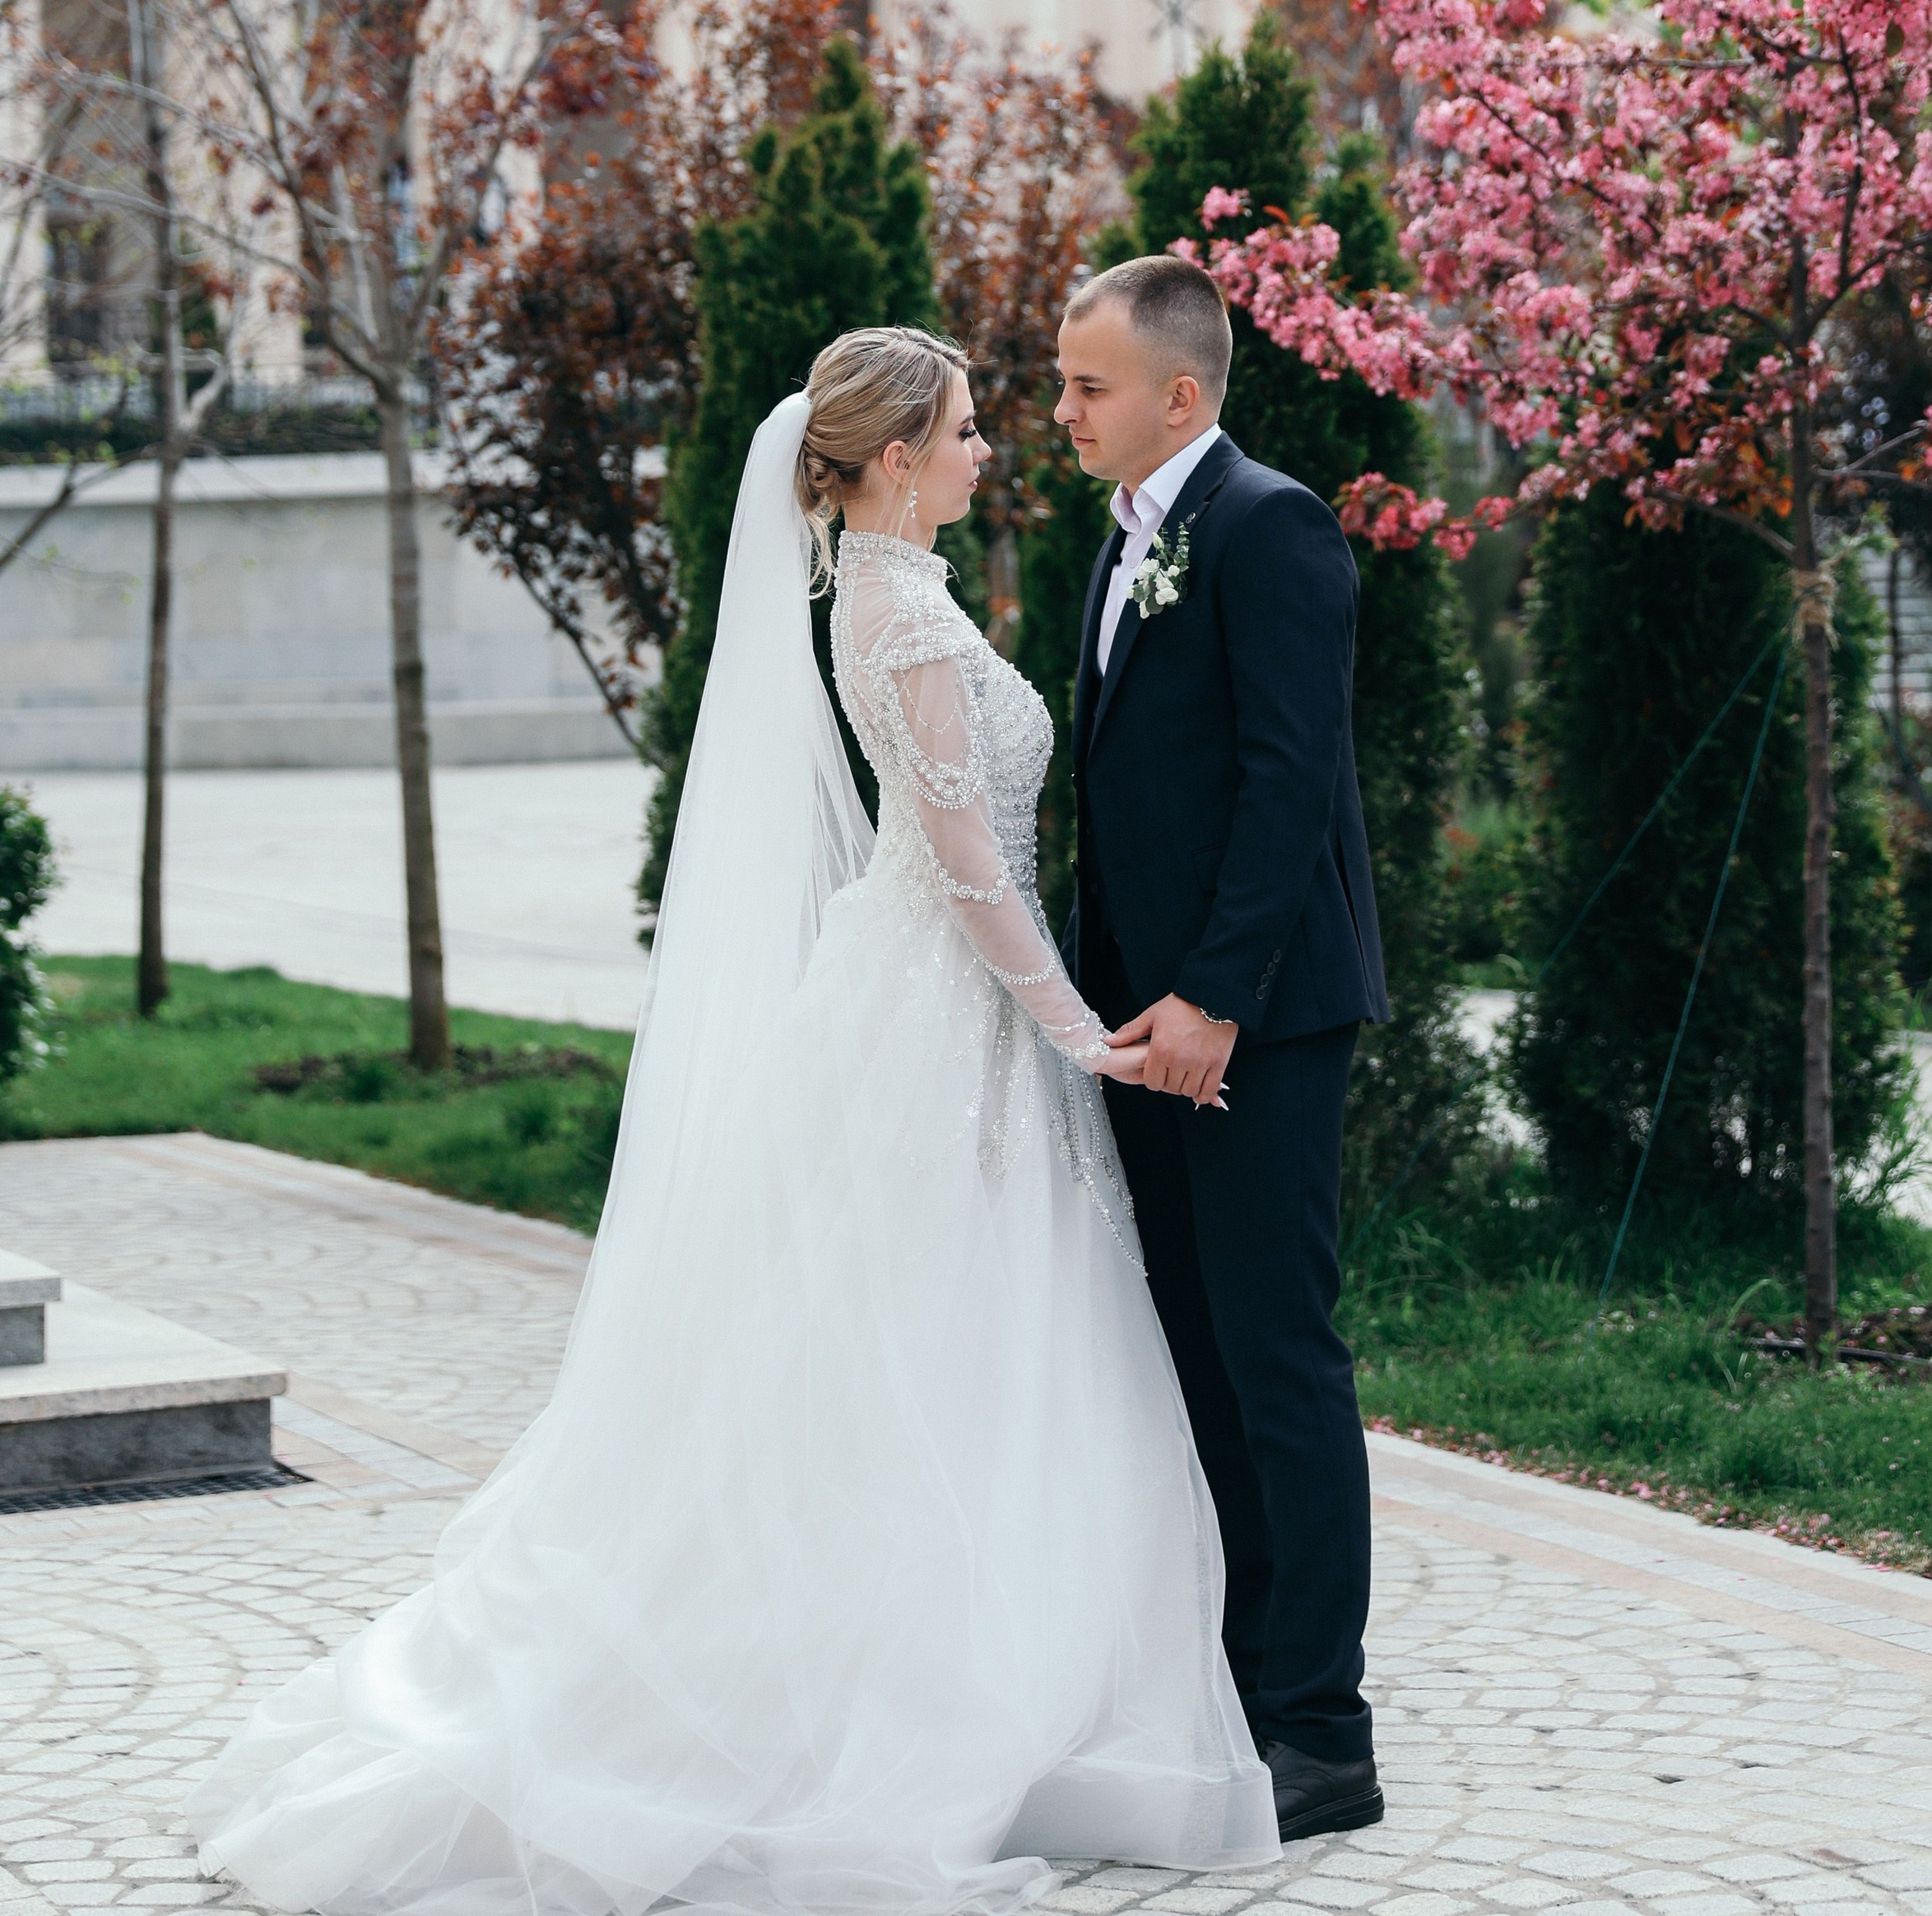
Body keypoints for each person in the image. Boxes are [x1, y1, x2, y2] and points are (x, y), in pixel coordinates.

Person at [191, 328, 1278, 1914]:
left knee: (931, 1345)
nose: (994, 448)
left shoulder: (885, 592)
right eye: (970, 427)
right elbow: (968, 860)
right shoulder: (901, 610)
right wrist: (1071, 1033)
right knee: (933, 1347)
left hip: (918, 999)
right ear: (897, 453)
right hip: (945, 1012)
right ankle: (893, 1705)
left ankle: (1000, 1684)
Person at [1056, 257, 1387, 1843]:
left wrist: (1213, 999)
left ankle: (1322, 1728)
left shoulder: (1271, 525)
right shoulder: (1124, 540)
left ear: (1179, 394)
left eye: (1086, 385)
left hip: (1252, 1018)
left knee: (1277, 1357)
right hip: (1141, 1027)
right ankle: (1236, 1691)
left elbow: (1287, 782)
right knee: (1189, 1358)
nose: (1063, 410)